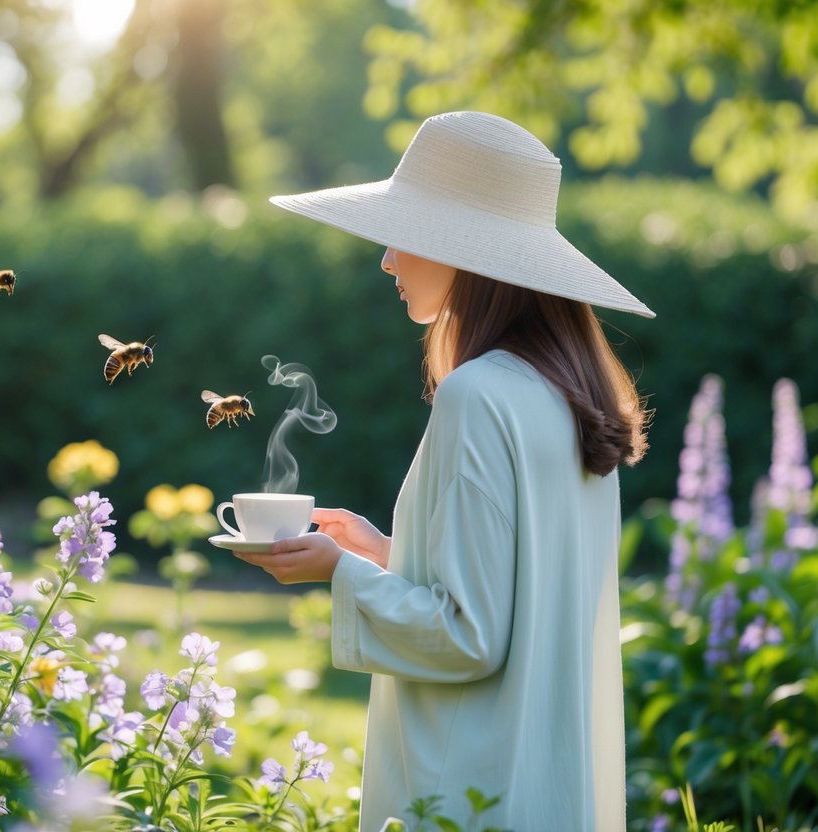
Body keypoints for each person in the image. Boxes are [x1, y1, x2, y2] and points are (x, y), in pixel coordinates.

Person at [233, 111, 654, 831]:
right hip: (549, 788)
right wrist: (384, 554)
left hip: (473, 791)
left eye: (404, 234)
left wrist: (337, 571)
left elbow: (468, 636)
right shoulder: (564, 394)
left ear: (462, 250)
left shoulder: (478, 393)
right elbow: (515, 599)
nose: (386, 261)